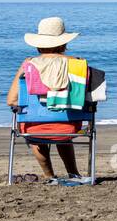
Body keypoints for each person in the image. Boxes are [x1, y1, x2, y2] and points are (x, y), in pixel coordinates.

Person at [7, 17, 87, 182]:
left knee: (36, 132)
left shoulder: (28, 66)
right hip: (69, 125)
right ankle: (74, 174)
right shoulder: (78, 65)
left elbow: (12, 101)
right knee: (61, 129)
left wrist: (22, 72)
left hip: (33, 127)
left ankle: (49, 176)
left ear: (38, 44)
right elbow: (89, 97)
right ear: (64, 44)